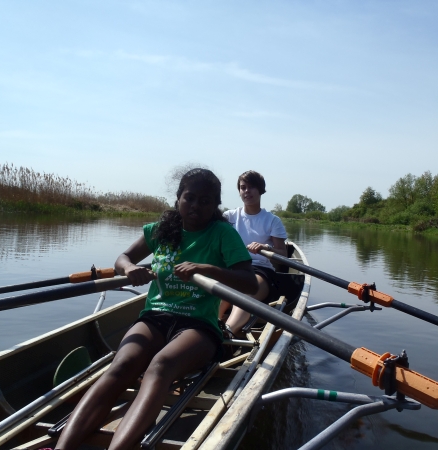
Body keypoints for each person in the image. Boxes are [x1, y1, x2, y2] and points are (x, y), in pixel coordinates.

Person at [54, 168, 257, 450]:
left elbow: (249, 282)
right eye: (190, 198)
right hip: (155, 317)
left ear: (215, 206)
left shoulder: (222, 234)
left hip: (198, 326)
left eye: (205, 201)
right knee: (122, 364)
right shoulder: (161, 230)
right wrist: (130, 269)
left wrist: (208, 269)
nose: (196, 206)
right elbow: (122, 258)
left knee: (159, 367)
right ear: (178, 199)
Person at [220, 170, 288, 336]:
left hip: (260, 271)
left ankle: (228, 332)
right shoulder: (229, 217)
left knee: (245, 292)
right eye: (243, 187)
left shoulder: (272, 220)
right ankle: (210, 326)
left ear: (260, 190)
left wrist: (266, 248)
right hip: (233, 268)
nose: (246, 191)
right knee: (218, 291)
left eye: (251, 187)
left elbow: (284, 257)